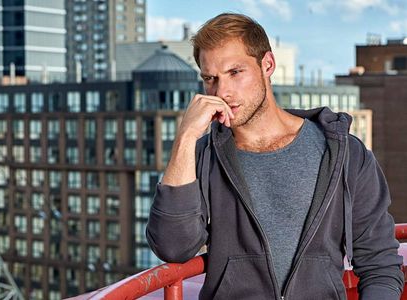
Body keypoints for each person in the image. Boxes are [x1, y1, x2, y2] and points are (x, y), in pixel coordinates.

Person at [146, 13, 404, 299]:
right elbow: (172, 247)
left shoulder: (345, 153)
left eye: (235, 72)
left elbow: (380, 265)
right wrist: (185, 138)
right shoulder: (202, 157)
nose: (223, 92)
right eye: (210, 79)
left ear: (267, 65)